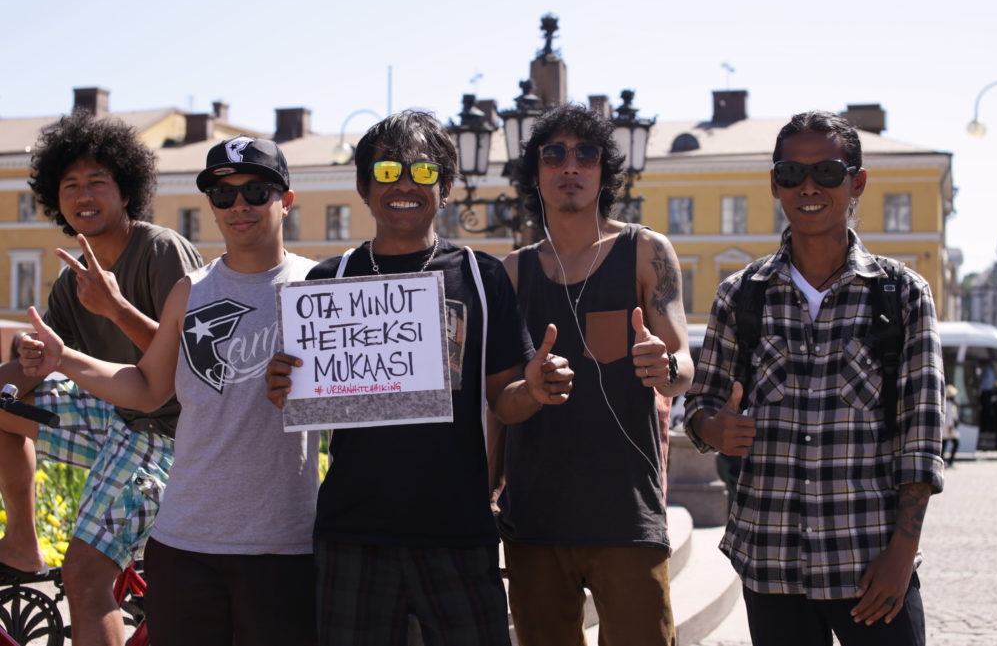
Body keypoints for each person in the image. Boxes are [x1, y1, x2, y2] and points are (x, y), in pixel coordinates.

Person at [265, 110, 572, 646]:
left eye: (423, 172)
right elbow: (301, 394)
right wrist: (281, 385)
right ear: (364, 186)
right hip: (352, 533)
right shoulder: (327, 281)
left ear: (446, 186)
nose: (404, 184)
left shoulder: (481, 276)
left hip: (458, 531)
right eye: (387, 172)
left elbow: (504, 400)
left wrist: (537, 391)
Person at [19, 136, 320, 645]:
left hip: (283, 544)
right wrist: (63, 359)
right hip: (184, 544)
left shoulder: (319, 288)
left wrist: (308, 390)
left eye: (256, 191)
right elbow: (147, 387)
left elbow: (362, 401)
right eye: (223, 196)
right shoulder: (191, 290)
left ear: (286, 201)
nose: (239, 206)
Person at [681, 110, 945, 645]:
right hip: (771, 562)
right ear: (774, 184)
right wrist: (714, 429)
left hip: (869, 561)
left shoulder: (901, 295)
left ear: (857, 183)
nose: (809, 187)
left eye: (827, 173)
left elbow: (922, 437)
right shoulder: (741, 295)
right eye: (791, 173)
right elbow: (699, 406)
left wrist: (900, 555)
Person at [0, 112, 203, 646]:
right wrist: (25, 359)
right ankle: (21, 543)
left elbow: (193, 365)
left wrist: (114, 308)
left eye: (97, 182)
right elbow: (47, 365)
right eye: (70, 186)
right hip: (115, 421)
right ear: (54, 198)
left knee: (86, 575)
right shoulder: (72, 283)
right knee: (4, 404)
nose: (83, 195)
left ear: (125, 191)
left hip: (171, 437)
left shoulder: (161, 250)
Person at [497, 103, 695, 646]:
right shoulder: (512, 274)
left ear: (604, 169)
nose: (570, 165)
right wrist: (531, 391)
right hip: (535, 522)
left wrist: (665, 365)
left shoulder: (646, 251)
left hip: (626, 517)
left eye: (585, 153)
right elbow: (500, 405)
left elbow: (683, 368)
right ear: (534, 173)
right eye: (553, 154)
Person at [943, 384, 960, 467]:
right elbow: (950, 417)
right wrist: (950, 427)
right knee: (956, 443)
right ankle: (950, 461)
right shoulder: (949, 404)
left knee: (944, 445)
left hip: (946, 428)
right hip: (949, 428)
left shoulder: (946, 403)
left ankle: (945, 461)